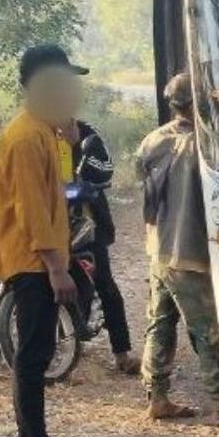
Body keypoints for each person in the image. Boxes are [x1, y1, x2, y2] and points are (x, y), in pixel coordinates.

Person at [0, 45, 91, 437]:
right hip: (32, 261)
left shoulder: (45, 132)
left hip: (39, 258)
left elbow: (59, 188)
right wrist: (57, 268)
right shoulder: (25, 137)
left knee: (38, 351)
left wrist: (71, 144)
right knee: (33, 354)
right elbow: (32, 210)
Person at [134, 73, 219, 426]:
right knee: (206, 329)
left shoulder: (152, 141)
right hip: (189, 251)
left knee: (159, 323)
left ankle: (157, 397)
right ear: (197, 103)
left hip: (159, 249)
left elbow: (144, 182)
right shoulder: (204, 146)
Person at [65, 116, 138, 374]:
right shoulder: (37, 134)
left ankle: (122, 353)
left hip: (86, 223)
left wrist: (76, 145)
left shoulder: (88, 134)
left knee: (105, 284)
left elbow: (105, 169)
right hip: (47, 222)